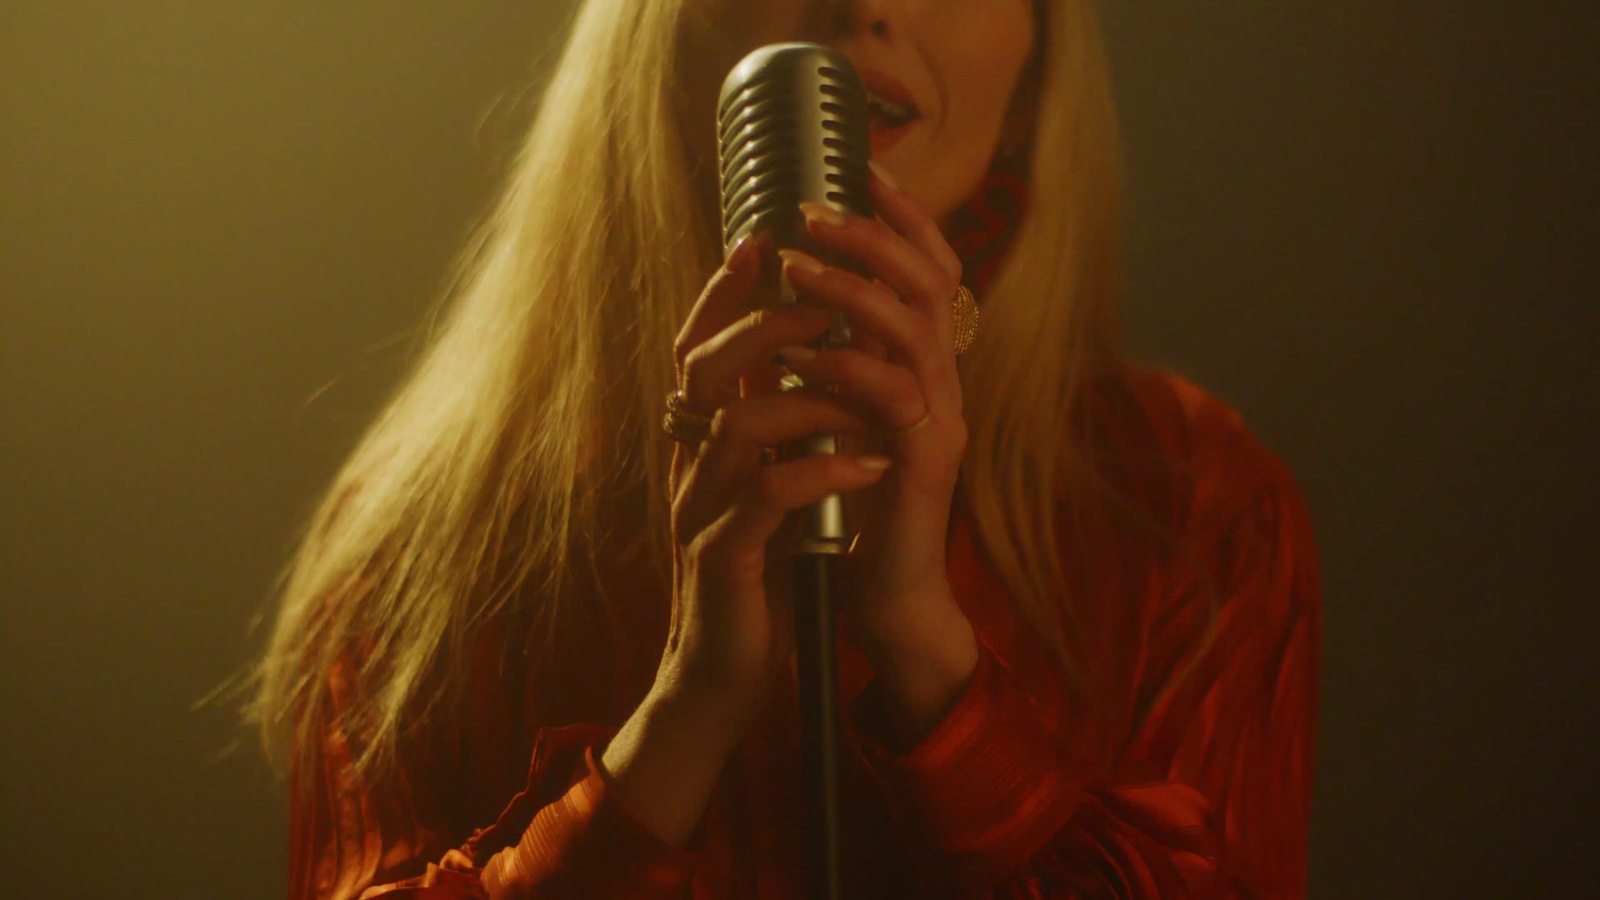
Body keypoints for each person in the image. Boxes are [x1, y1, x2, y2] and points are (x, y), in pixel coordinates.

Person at [247, 0, 1321, 897]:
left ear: (1037, 62)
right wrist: (681, 717)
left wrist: (927, 657)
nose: (862, 5)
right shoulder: (421, 544)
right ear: (666, 40)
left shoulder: (1186, 501)